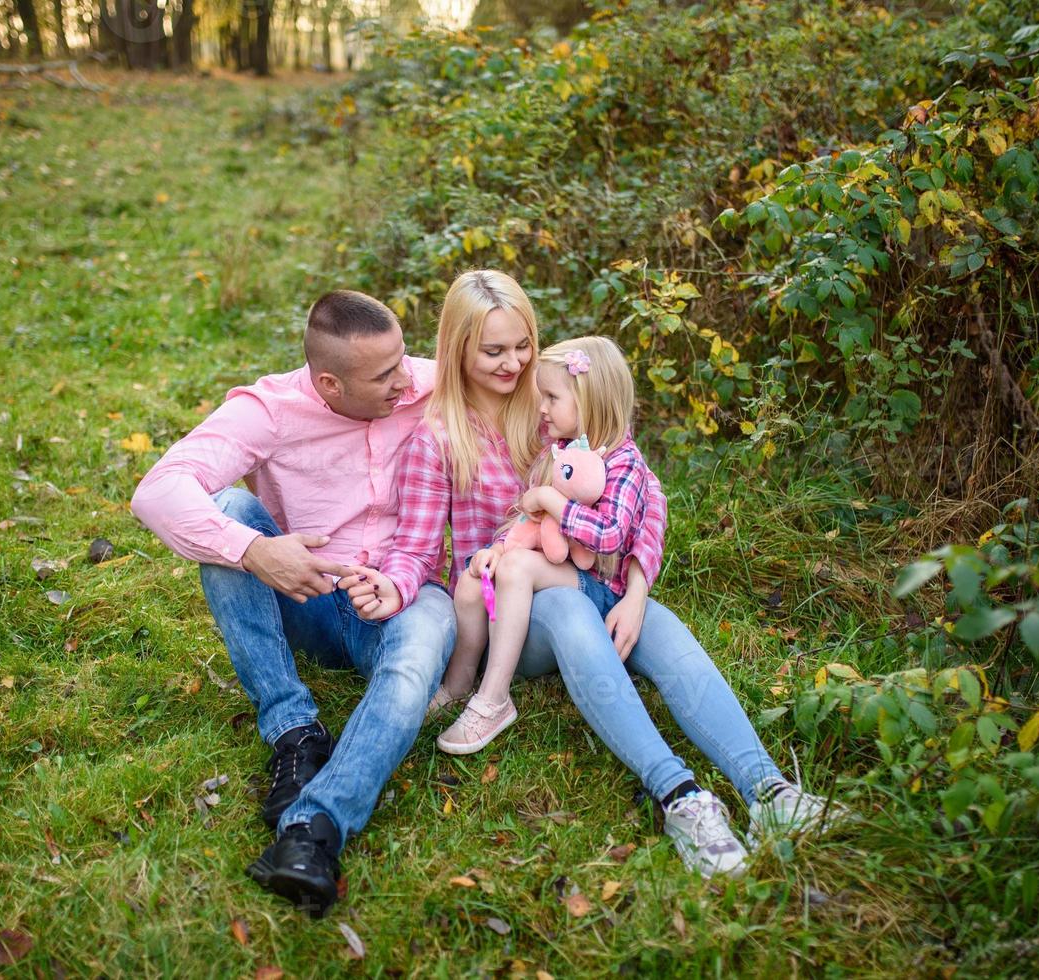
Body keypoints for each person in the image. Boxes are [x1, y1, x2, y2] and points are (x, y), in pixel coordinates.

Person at [346, 270, 849, 880]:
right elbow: (421, 550)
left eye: (522, 345)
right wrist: (396, 585)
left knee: (660, 630)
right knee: (561, 606)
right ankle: (680, 797)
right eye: (494, 351)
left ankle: (770, 792)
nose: (514, 363)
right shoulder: (439, 438)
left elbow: (647, 495)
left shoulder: (560, 409)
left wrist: (637, 593)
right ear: (458, 349)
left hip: (595, 583)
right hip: (516, 611)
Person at [130, 290, 457, 917]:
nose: (405, 380)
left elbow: (533, 382)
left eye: (403, 361)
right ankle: (295, 732)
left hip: (402, 596)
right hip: (306, 598)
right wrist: (256, 551)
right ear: (328, 382)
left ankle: (313, 830)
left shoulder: (427, 383)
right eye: (384, 375)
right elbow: (159, 490)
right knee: (228, 515)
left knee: (422, 646)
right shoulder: (271, 410)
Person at [435, 335, 657, 756]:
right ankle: (458, 683)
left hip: (598, 582)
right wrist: (499, 547)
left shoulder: (624, 461)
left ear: (589, 400)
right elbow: (527, 517)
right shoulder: (558, 450)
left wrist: (552, 502)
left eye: (552, 397)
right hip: (557, 567)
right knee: (472, 581)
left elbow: (610, 534)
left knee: (517, 569)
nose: (541, 408)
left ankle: (494, 698)